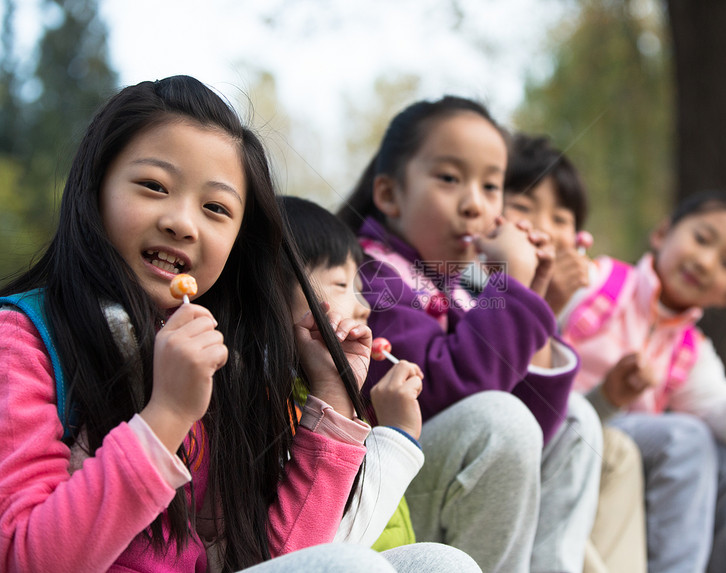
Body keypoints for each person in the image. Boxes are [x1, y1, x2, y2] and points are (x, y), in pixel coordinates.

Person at [0, 75, 478, 573]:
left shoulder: (226, 357)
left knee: (440, 563)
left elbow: (286, 560)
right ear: (94, 187)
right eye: (153, 186)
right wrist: (166, 415)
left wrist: (333, 396)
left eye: (215, 208)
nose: (183, 222)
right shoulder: (24, 341)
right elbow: (26, 557)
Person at [337, 95, 603, 573]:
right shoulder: (368, 276)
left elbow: (533, 427)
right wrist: (515, 287)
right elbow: (444, 393)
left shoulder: (448, 284)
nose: (474, 203)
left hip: (428, 477)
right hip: (376, 503)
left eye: (491, 186)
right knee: (499, 419)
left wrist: (532, 291)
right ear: (389, 194)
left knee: (577, 420)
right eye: (449, 178)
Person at [557, 190, 726, 572]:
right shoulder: (596, 282)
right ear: (662, 233)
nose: (704, 261)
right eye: (701, 239)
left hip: (628, 452)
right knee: (688, 437)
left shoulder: (690, 351)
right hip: (569, 429)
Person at [502, 132, 647, 573]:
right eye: (524, 208)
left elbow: (555, 416)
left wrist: (610, 397)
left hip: (541, 452)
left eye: (561, 218)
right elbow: (515, 409)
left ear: (578, 236)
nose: (544, 228)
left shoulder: (579, 307)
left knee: (617, 449)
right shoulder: (472, 284)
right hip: (497, 461)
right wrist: (543, 306)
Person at [279, 195, 424, 550]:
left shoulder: (323, 395)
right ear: (271, 292)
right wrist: (397, 435)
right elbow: (318, 546)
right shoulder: (273, 414)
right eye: (342, 285)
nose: (364, 307)